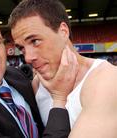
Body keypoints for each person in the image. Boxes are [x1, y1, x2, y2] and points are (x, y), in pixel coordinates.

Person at [9, 0, 117, 137]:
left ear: (63, 31)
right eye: (22, 48)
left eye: (35, 41)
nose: (28, 58)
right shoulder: (37, 84)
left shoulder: (107, 79)